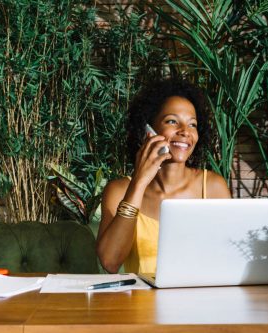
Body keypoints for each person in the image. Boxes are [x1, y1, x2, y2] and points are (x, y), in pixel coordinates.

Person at [96, 79, 231, 274]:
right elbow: (110, 262)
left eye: (192, 125)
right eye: (172, 121)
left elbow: (230, 257)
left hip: (199, 302)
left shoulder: (212, 187)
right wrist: (139, 182)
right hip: (140, 303)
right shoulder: (119, 190)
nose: (185, 131)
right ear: (148, 130)